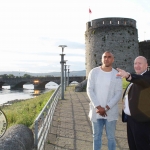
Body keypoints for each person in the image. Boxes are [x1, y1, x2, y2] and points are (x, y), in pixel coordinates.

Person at [87, 51, 122, 150]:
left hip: (110, 112)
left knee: (111, 137)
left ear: (113, 59)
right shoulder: (94, 72)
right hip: (96, 111)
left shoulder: (117, 74)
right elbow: (89, 89)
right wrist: (98, 106)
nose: (106, 59)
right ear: (102, 59)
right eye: (104, 57)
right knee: (96, 136)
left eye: (109, 57)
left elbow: (118, 93)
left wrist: (106, 108)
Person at [116, 56, 150, 150]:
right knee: (133, 146)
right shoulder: (137, 78)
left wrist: (128, 76)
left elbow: (143, 81)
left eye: (140, 63)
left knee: (142, 146)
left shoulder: (147, 77)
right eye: (135, 63)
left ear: (146, 65)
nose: (137, 65)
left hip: (142, 121)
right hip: (131, 120)